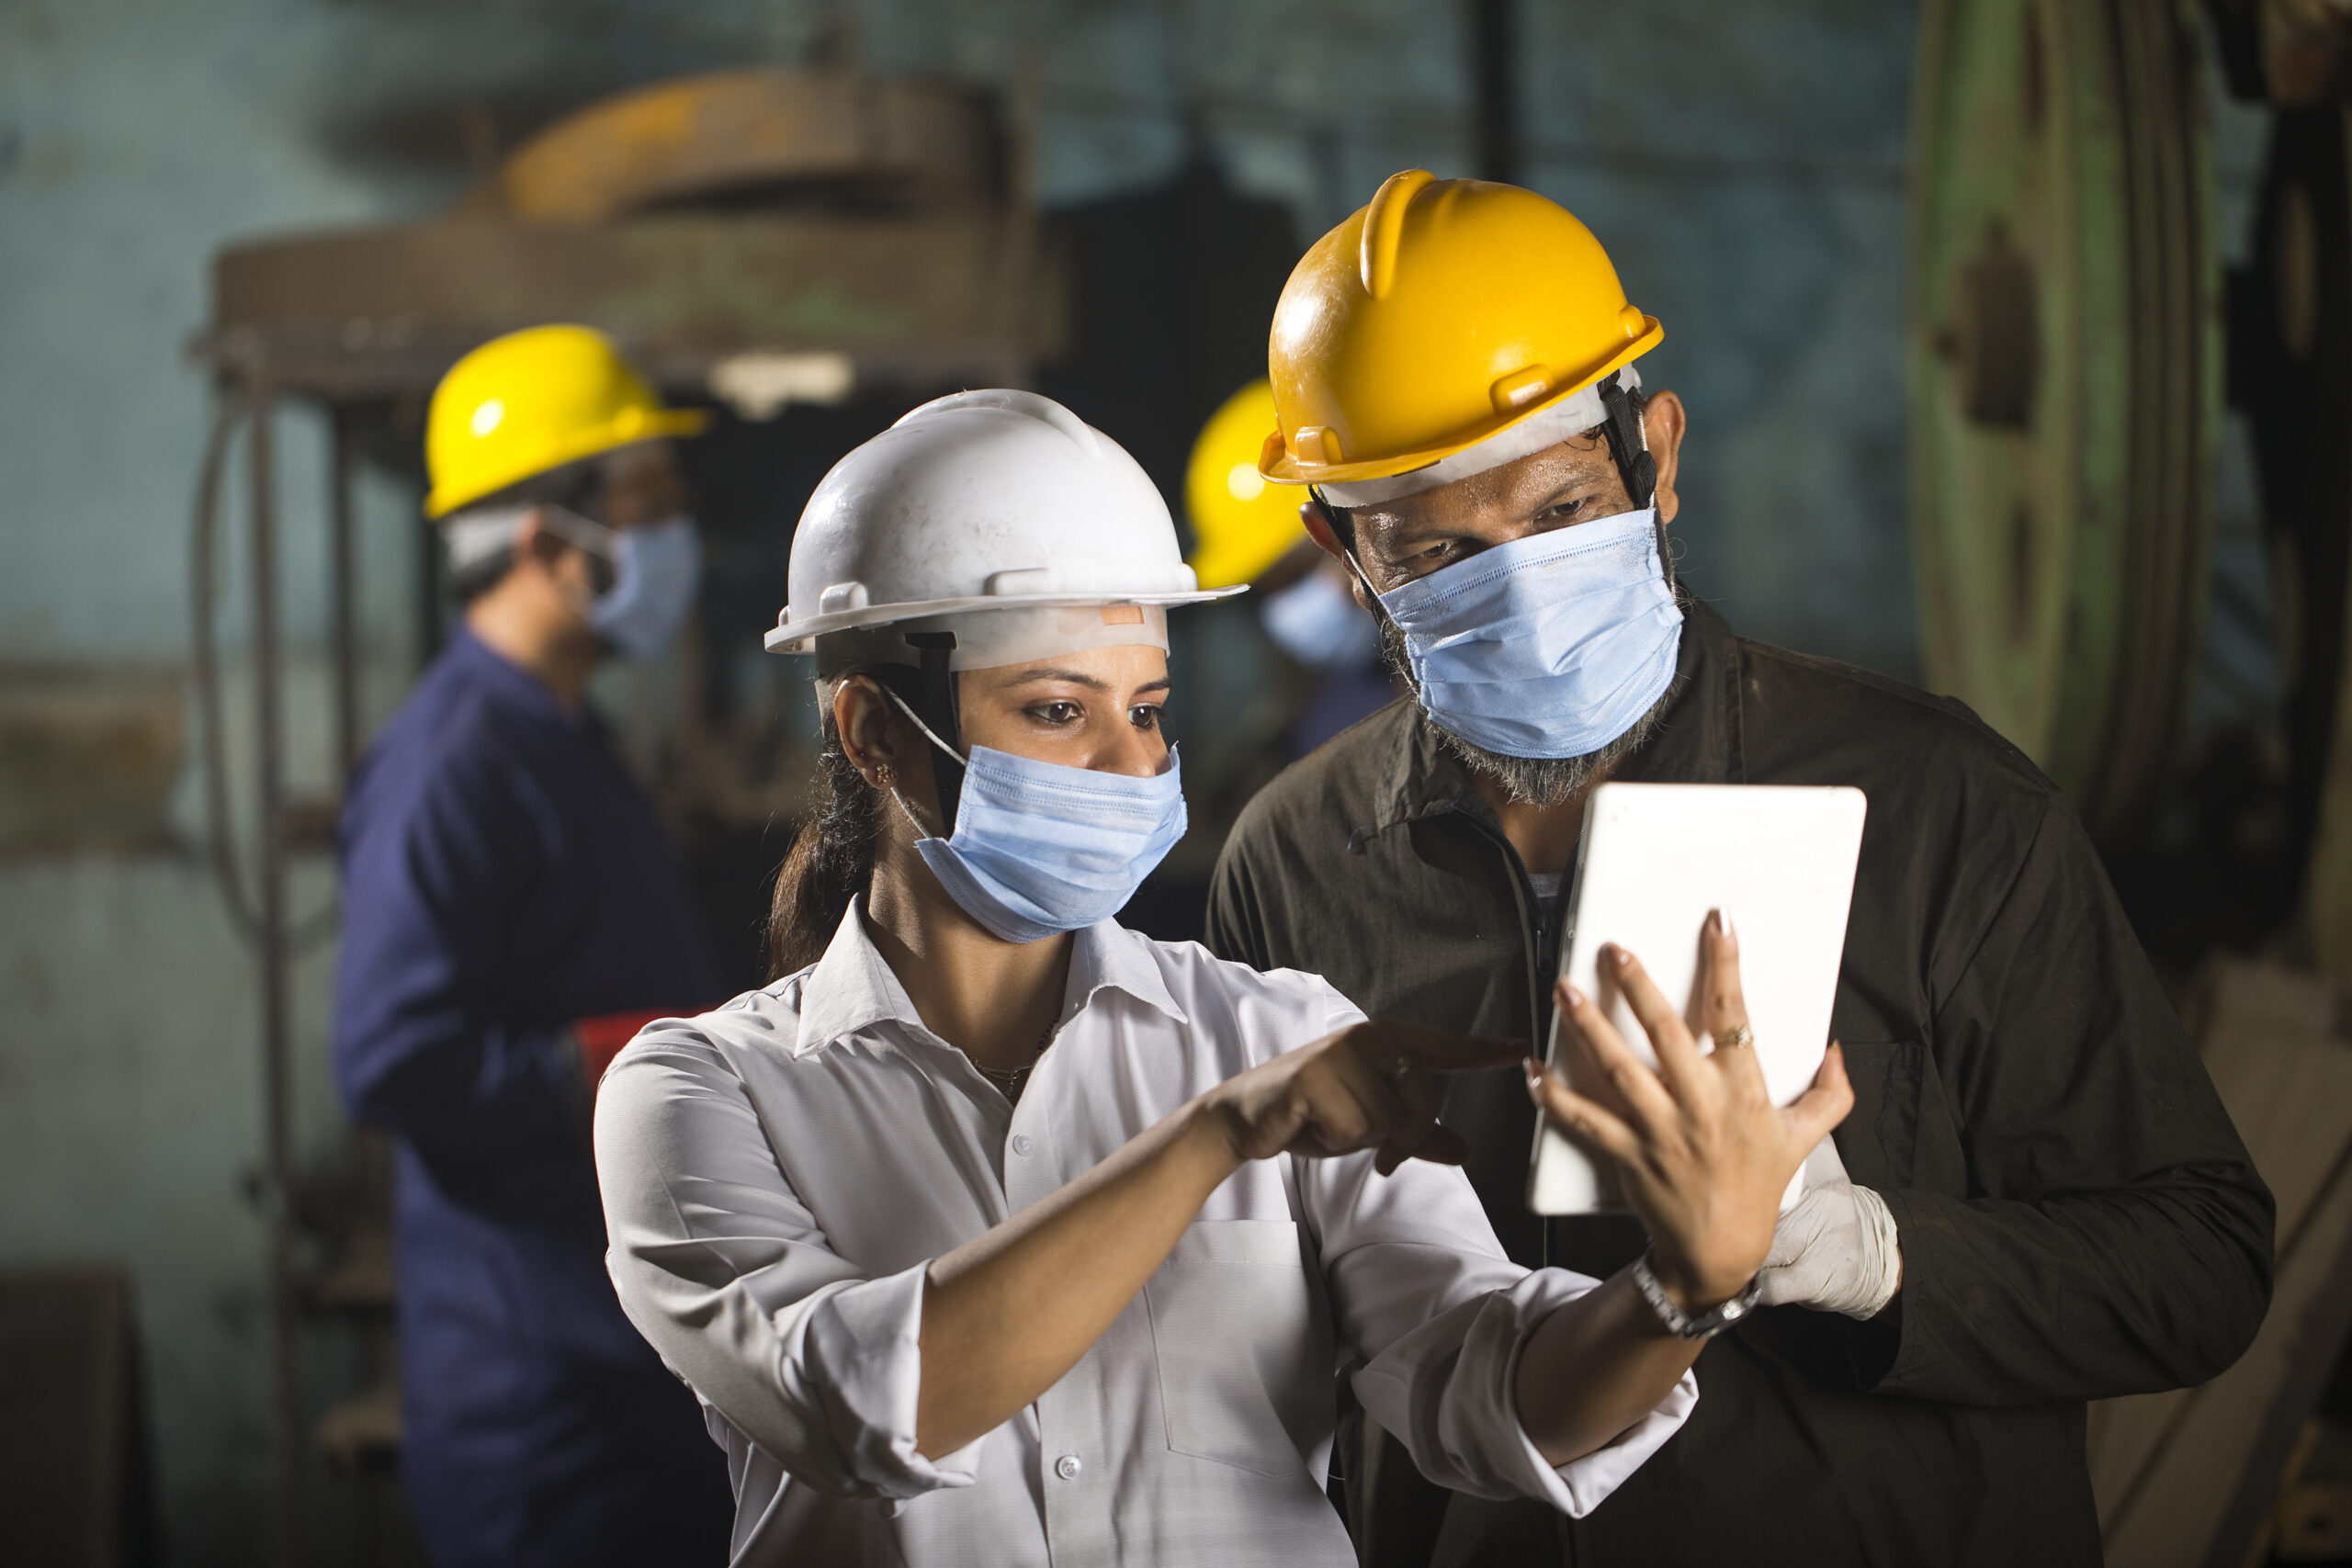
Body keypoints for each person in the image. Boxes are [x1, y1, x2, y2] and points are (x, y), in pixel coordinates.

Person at [1204, 169, 2277, 1567]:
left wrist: (1879, 1257)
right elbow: (1255, 1337)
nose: (1523, 585)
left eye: (1564, 508)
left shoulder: (1935, 802)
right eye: (1441, 552)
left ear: (1658, 452)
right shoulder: (1294, 864)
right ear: (1339, 553)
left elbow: (2200, 1269)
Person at [589, 389, 1856, 1566]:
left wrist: (1680, 1291)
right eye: (1052, 711)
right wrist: (1212, 1141)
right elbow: (863, 1409)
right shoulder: (704, 1093)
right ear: (873, 732)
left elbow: (1495, 1389)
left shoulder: (1275, 1033)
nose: (1131, 765)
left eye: (1146, 708)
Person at [334, 324, 734, 1566]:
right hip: (541, 1402)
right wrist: (596, 1064)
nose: (677, 539)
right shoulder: (455, 760)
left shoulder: (556, 732)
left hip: (627, 1353)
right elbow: (390, 1059)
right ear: (549, 543)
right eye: (648, 506)